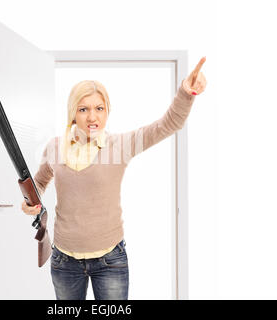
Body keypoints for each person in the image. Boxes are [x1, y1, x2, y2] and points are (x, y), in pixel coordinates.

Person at [21, 57, 207, 300]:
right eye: (83, 109)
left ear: (107, 111)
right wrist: (29, 203)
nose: (92, 117)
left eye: (99, 108)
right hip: (65, 260)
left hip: (110, 259)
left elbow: (168, 124)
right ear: (72, 113)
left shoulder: (120, 145)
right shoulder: (55, 147)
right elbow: (40, 182)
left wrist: (186, 93)